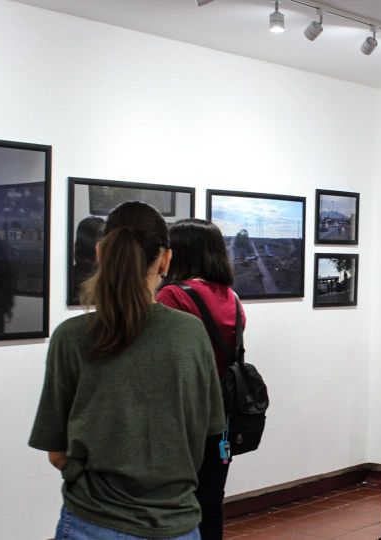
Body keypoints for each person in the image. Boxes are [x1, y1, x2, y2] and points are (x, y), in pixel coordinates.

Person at [29, 202, 225, 540]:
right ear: (165, 260)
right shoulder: (189, 333)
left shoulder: (71, 337)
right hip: (174, 520)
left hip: (91, 520)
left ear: (101, 252)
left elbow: (57, 452)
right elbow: (210, 434)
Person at [157, 218, 247, 540]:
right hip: (222, 413)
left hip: (183, 416)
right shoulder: (231, 298)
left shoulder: (172, 296)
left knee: (177, 503)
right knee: (211, 500)